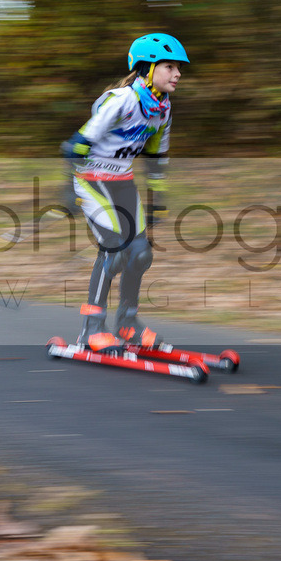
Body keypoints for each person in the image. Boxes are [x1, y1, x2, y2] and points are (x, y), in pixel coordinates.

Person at [60, 33, 188, 351]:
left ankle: (128, 324)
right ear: (147, 68)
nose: (178, 74)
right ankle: (92, 329)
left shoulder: (163, 110)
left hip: (124, 184)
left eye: (179, 68)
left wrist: (157, 200)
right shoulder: (122, 101)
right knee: (114, 250)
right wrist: (66, 189)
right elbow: (76, 145)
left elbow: (157, 160)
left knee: (141, 254)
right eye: (170, 66)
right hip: (92, 180)